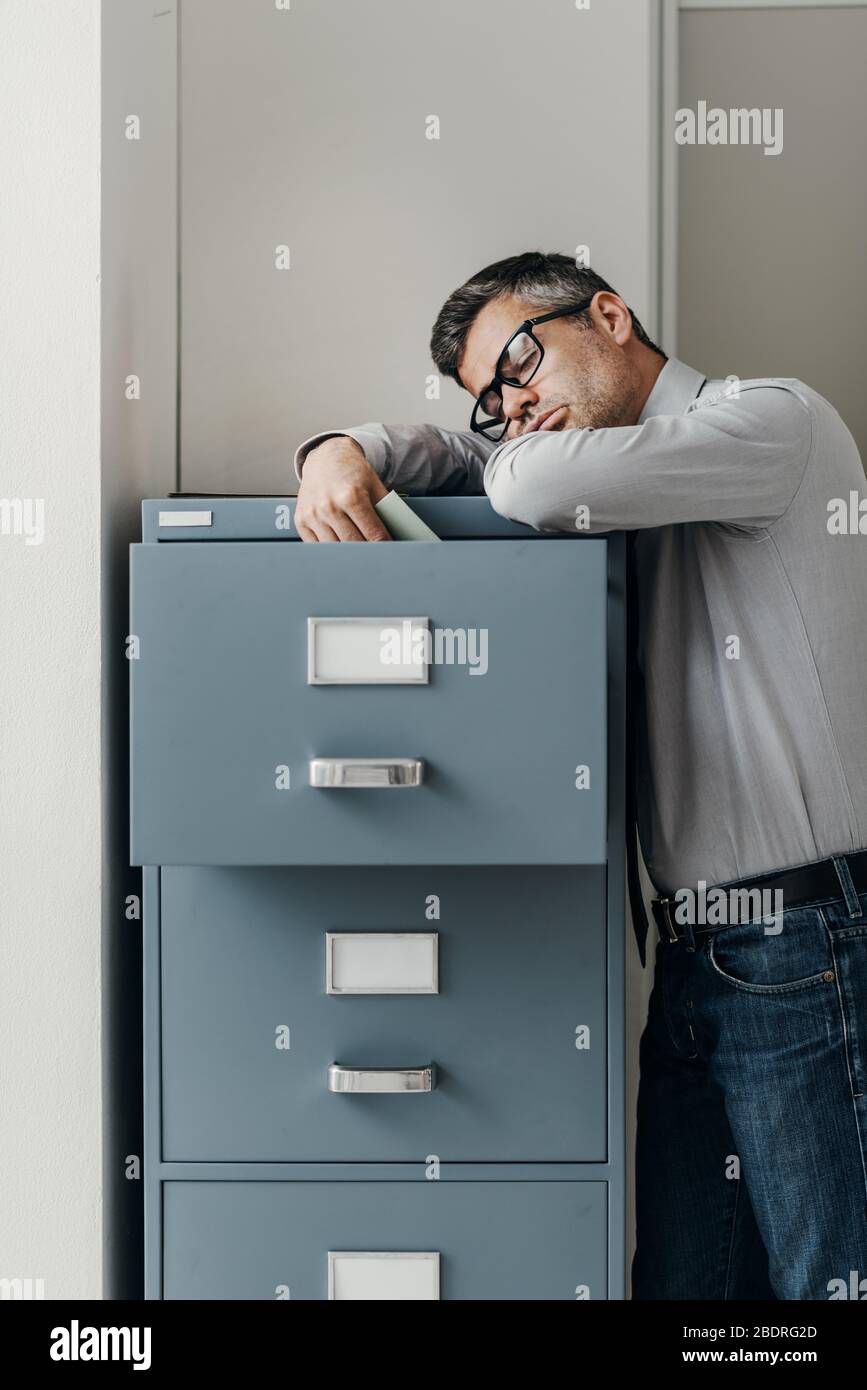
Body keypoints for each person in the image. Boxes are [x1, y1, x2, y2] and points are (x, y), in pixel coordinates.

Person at [293, 251, 867, 1300]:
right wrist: (345, 450)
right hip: (698, 960)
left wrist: (504, 448)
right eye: (491, 399)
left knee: (831, 1283)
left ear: (608, 313)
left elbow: (526, 478)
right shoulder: (613, 464)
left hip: (803, 946)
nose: (514, 406)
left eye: (521, 363)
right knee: (695, 1297)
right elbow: (466, 457)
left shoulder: (772, 422)